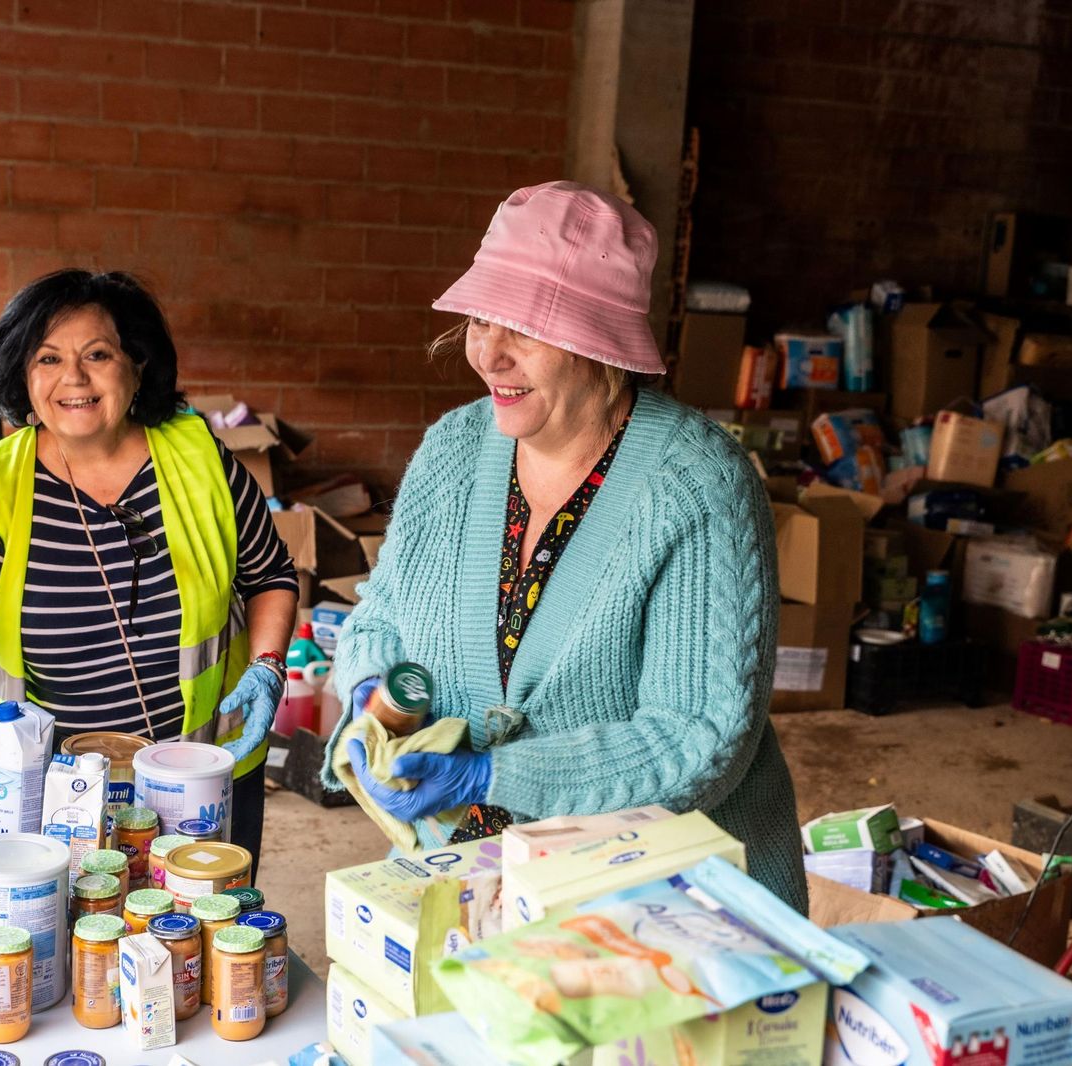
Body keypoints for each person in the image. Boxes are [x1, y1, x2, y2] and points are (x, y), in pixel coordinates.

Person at [320, 182, 805, 910]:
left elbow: (698, 735)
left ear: (600, 339)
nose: (489, 354)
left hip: (661, 905)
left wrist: (495, 777)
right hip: (475, 884)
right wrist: (369, 696)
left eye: (524, 327)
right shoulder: (453, 449)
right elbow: (385, 613)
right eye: (481, 320)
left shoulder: (698, 484)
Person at [0, 270, 298, 868]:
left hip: (199, 776)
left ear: (137, 366)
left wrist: (267, 666)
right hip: (53, 791)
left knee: (199, 940)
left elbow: (271, 575)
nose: (73, 377)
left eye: (96, 354)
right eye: (47, 358)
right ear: (23, 377)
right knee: (69, 940)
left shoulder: (201, 458)